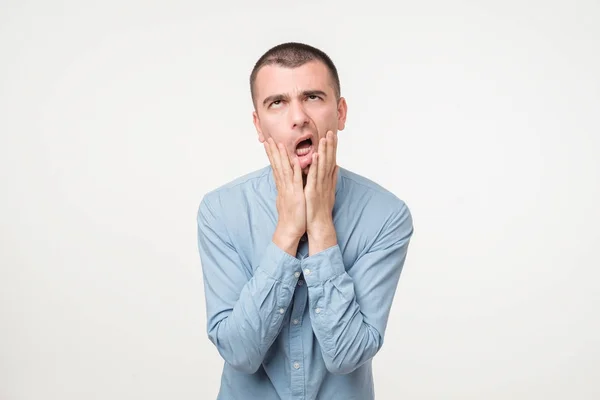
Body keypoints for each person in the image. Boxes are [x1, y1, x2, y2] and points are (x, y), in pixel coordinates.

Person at [196, 42, 414, 400]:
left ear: (341, 112)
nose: (298, 117)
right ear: (258, 124)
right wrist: (287, 230)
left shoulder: (386, 216)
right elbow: (239, 353)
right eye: (277, 102)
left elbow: (347, 355)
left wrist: (321, 227)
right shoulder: (220, 211)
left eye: (313, 97)